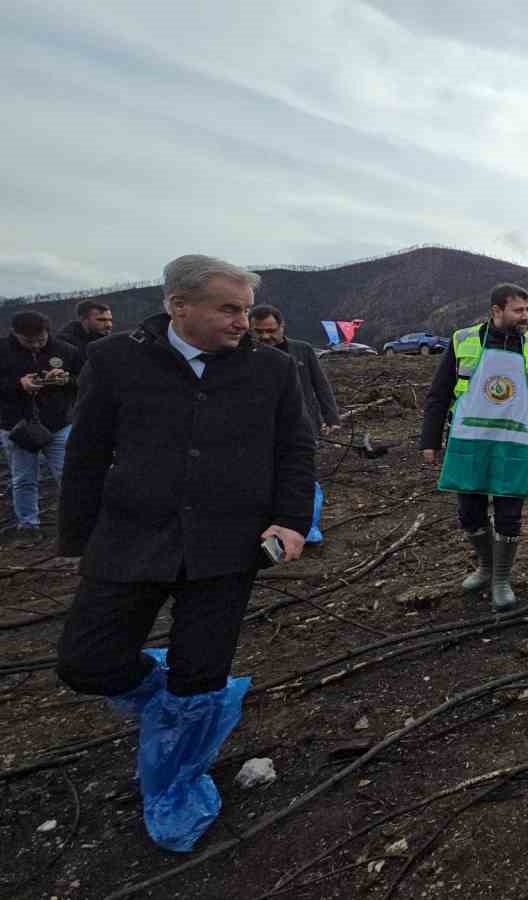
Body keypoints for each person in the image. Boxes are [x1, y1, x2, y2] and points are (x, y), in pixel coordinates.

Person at [54, 254, 315, 851]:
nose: (242, 322)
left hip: (227, 546)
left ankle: (176, 779)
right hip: (130, 539)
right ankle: (160, 697)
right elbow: (87, 454)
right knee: (86, 662)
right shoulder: (115, 361)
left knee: (202, 680)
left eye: (246, 310)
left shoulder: (271, 370)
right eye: (228, 309)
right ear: (179, 306)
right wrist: (77, 539)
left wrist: (292, 521)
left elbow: (295, 451)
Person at [420, 283, 528, 610]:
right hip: (470, 442)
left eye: (527, 310)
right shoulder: (463, 341)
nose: (526, 316)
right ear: (496, 311)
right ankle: (485, 565)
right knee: (469, 513)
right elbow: (438, 394)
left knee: (510, 515)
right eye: (518, 310)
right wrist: (429, 440)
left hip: (517, 445)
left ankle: (501, 578)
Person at [250, 305, 341, 544]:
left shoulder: (302, 350)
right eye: (259, 332)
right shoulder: (246, 354)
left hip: (303, 426)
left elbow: (320, 385)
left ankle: (306, 528)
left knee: (304, 475)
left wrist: (331, 417)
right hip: (261, 430)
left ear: (282, 327)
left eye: (271, 330)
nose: (266, 337)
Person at [1, 311, 84, 541]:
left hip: (57, 424)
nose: (36, 345)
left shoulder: (66, 351)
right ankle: (28, 525)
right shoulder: (3, 351)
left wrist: (66, 380)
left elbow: (86, 381)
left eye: (41, 339)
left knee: (68, 474)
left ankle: (77, 521)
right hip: (16, 426)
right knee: (23, 478)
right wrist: (19, 385)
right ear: (15, 334)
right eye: (28, 341)